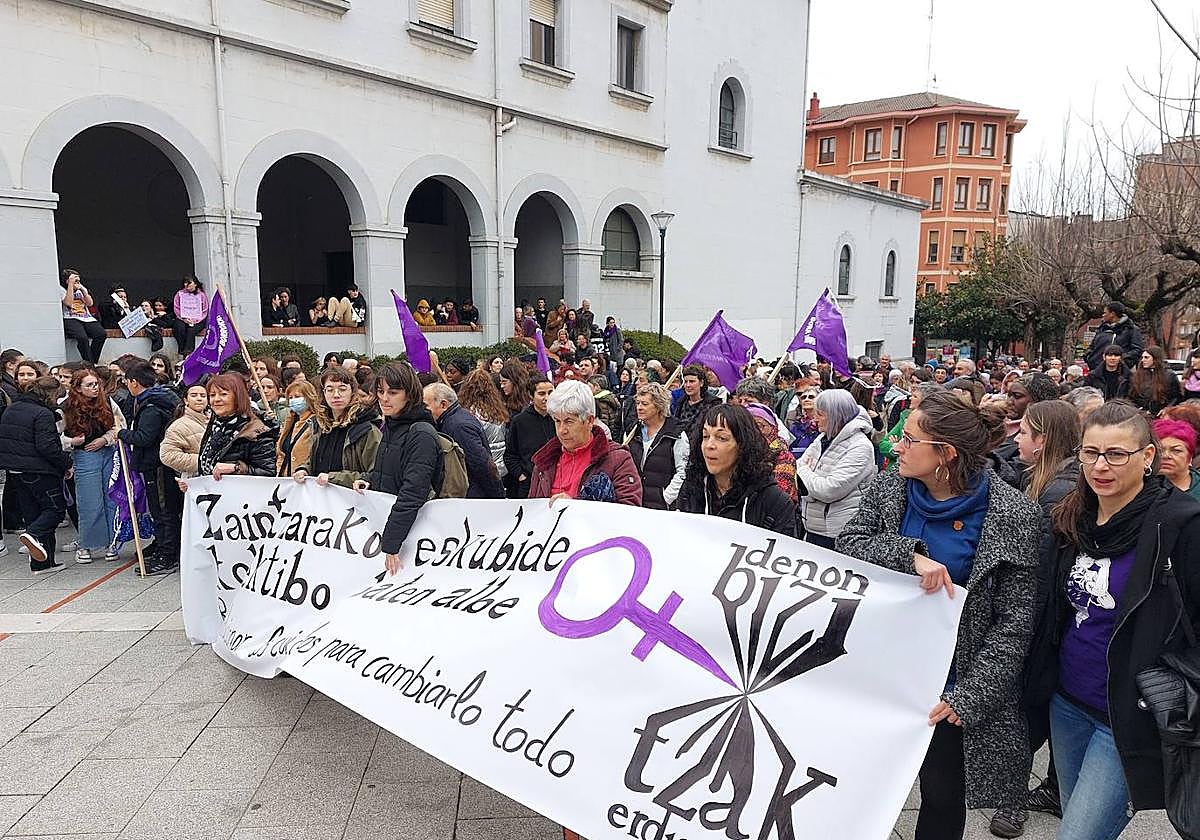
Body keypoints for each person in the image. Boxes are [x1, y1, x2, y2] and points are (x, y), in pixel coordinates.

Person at [837, 390, 1041, 840]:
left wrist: (969, 696)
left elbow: (1014, 622)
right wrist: (909, 556)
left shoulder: (1013, 515)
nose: (894, 447)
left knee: (943, 795)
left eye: (909, 440)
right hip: (882, 669)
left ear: (945, 454)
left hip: (951, 684)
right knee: (859, 783)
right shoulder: (893, 487)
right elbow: (850, 542)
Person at [1047, 401, 1200, 839]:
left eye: (1116, 454)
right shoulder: (1073, 514)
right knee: (1073, 819)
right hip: (1067, 703)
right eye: (1091, 452)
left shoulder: (1180, 525)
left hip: (1129, 714)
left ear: (1147, 457)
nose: (1101, 466)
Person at [993, 400, 1081, 833]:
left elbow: (1040, 572)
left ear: (1043, 439)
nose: (1016, 438)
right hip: (1053, 620)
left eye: (1024, 432)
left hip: (1047, 621)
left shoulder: (1056, 491)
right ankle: (1054, 787)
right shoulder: (1046, 481)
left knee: (1026, 711)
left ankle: (1012, 803)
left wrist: (1022, 629)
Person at [362, 362, 443, 576]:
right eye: (380, 392)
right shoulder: (393, 424)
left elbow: (413, 492)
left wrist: (391, 543)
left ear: (409, 394)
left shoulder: (421, 433)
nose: (384, 398)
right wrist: (369, 480)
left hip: (411, 537)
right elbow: (392, 471)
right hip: (390, 526)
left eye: (393, 392)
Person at [675, 404, 796, 535]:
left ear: (743, 444)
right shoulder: (692, 488)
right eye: (705, 436)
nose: (709, 445)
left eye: (722, 438)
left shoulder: (774, 501)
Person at [527, 380, 641, 504]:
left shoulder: (618, 460)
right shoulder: (544, 461)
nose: (561, 430)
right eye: (557, 421)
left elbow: (630, 512)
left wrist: (575, 508)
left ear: (590, 420)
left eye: (569, 421)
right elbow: (533, 513)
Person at [117, 362, 183, 575]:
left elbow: (145, 437)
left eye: (127, 382)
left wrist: (122, 433)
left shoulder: (152, 407)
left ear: (134, 382)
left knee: (163, 510)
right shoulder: (155, 399)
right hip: (155, 464)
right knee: (159, 509)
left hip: (158, 465)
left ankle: (168, 554)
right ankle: (162, 543)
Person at [0, 375, 70, 573]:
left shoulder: (12, 408)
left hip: (15, 471)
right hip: (40, 470)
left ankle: (41, 563)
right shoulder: (42, 413)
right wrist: (66, 463)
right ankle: (33, 535)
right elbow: (47, 447)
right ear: (50, 394)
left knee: (33, 513)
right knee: (55, 510)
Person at [795, 389, 876, 548]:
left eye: (821, 414)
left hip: (838, 533)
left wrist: (804, 474)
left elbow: (829, 490)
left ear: (835, 415)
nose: (815, 418)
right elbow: (797, 465)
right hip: (814, 527)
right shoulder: (823, 438)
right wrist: (811, 482)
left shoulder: (860, 447)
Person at [61, 368, 124, 563]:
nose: (95, 388)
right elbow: (57, 435)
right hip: (84, 455)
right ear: (78, 388)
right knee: (89, 501)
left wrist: (105, 439)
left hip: (107, 451)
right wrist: (72, 442)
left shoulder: (107, 402)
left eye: (96, 384)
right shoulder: (65, 407)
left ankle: (112, 542)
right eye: (90, 385)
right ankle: (86, 544)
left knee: (111, 498)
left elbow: (119, 425)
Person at [184, 373, 278, 493]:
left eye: (223, 394)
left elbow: (268, 474)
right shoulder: (215, 425)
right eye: (212, 395)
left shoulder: (256, 431)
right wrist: (194, 486)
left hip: (241, 504)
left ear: (238, 397)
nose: (216, 399)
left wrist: (236, 468)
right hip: (214, 500)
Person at [292, 366, 381, 489]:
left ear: (352, 392)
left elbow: (374, 474)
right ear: (323, 393)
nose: (336, 395)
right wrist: (304, 469)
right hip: (320, 499)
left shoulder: (366, 430)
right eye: (330, 390)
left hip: (351, 502)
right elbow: (314, 460)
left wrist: (334, 478)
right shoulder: (320, 425)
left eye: (342, 389)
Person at [422, 382, 501, 498]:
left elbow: (482, 464)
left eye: (425, 406)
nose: (423, 410)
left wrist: (497, 498)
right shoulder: (454, 420)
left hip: (473, 499)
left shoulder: (458, 427)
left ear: (443, 404)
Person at [627, 383, 688, 511]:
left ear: (659, 406)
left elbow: (682, 471)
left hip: (661, 508)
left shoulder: (676, 434)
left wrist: (666, 498)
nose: (639, 407)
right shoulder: (633, 431)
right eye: (638, 403)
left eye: (645, 404)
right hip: (635, 502)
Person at [504, 374, 555, 499]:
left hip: (556, 481)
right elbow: (510, 455)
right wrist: (521, 476)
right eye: (541, 394)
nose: (547, 398)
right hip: (529, 484)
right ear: (531, 395)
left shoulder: (558, 417)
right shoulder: (520, 421)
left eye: (550, 392)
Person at [159, 383, 210, 480]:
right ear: (186, 400)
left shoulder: (214, 420)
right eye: (194, 395)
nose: (199, 398)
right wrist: (202, 461)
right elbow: (167, 455)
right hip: (195, 481)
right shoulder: (178, 426)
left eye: (203, 396)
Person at [60, 269, 106, 363]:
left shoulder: (81, 288)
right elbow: (68, 303)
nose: (77, 282)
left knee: (101, 334)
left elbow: (90, 303)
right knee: (82, 338)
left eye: (78, 280)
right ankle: (89, 363)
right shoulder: (61, 289)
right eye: (74, 280)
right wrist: (70, 286)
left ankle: (91, 362)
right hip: (70, 317)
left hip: (86, 317)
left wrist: (82, 290)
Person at [1084, 301, 1144, 371]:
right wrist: (1088, 356)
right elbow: (1092, 346)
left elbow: (1137, 350)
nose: (1102, 315)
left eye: (1105, 313)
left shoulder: (1131, 329)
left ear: (1112, 314)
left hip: (1121, 373)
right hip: (1097, 370)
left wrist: (1121, 359)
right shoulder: (1102, 328)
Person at [276, 380, 318, 477]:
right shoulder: (290, 422)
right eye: (290, 398)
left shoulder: (316, 423)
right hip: (286, 479)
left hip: (305, 480)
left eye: (297, 397)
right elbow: (281, 452)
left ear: (309, 397)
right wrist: (279, 470)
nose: (293, 400)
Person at [1153, 417, 1200, 500]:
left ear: (1190, 457)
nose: (1166, 456)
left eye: (1176, 451)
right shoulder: (1138, 486)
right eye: (1160, 450)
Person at [1128, 346, 1180, 416]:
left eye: (1146, 357)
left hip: (1160, 415)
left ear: (1155, 358)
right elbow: (1131, 396)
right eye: (1142, 357)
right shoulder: (1137, 375)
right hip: (1140, 415)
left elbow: (1176, 397)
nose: (1143, 360)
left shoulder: (1169, 376)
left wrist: (1167, 409)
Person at [672, 364, 721, 433]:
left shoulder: (713, 404)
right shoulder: (681, 401)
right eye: (686, 382)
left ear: (701, 383)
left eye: (692, 381)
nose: (688, 385)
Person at [172, 275, 208, 355]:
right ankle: (182, 350)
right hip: (183, 318)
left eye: (189, 283)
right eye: (185, 282)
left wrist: (196, 320)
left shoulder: (201, 295)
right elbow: (176, 308)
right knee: (179, 327)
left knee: (191, 330)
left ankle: (188, 352)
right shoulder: (179, 294)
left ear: (195, 284)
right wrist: (183, 318)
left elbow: (204, 310)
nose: (186, 285)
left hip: (198, 320)